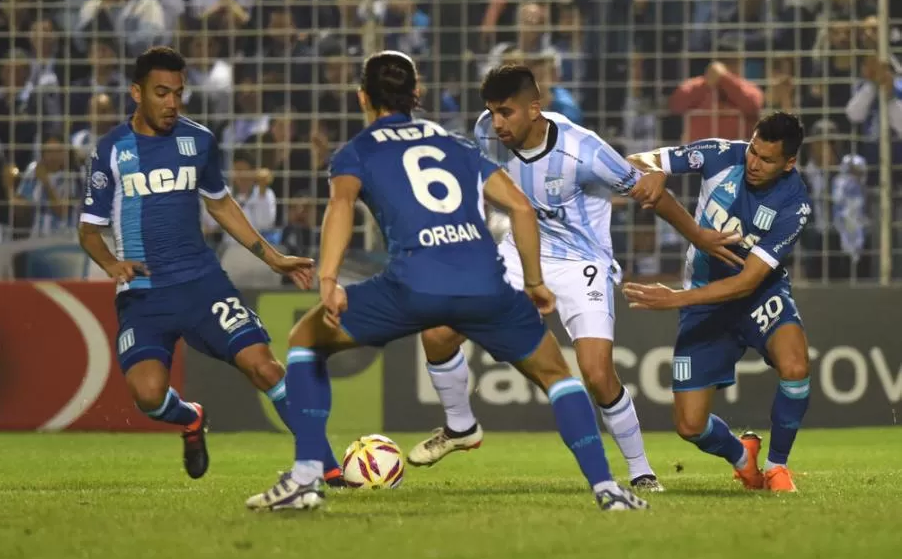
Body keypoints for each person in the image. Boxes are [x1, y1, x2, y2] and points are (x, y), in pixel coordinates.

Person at [245, 51, 649, 512]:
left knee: (305, 340)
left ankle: (306, 478)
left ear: (362, 97)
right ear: (416, 95)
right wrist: (534, 282)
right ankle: (607, 490)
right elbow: (519, 208)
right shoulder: (457, 144)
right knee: (559, 376)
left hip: (413, 284)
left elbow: (340, 209)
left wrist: (329, 278)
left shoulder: (357, 152)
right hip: (486, 282)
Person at [409, 64, 740, 491]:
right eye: (491, 111)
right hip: (518, 254)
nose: (496, 122)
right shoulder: (486, 131)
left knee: (597, 375)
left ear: (535, 108)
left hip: (582, 263)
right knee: (436, 333)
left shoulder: (585, 152)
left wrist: (699, 235)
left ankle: (640, 470)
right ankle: (459, 428)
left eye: (506, 112)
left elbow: (650, 194)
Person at [77, 46, 344, 484]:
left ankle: (329, 468)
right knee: (147, 396)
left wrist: (274, 257)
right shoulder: (110, 150)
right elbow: (88, 230)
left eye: (178, 93)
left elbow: (221, 205)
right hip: (144, 294)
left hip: (203, 284)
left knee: (265, 366)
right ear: (135, 93)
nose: (171, 103)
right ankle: (190, 419)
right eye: (161, 93)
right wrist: (111, 263)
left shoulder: (198, 140)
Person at [623, 112, 811, 493]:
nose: (754, 163)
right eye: (753, 151)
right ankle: (742, 457)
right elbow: (632, 161)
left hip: (760, 295)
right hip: (706, 299)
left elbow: (747, 282)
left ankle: (777, 467)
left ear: (789, 163)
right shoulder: (721, 154)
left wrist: (676, 299)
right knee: (690, 426)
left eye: (767, 159)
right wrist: (654, 168)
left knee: (795, 365)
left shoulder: (795, 205)